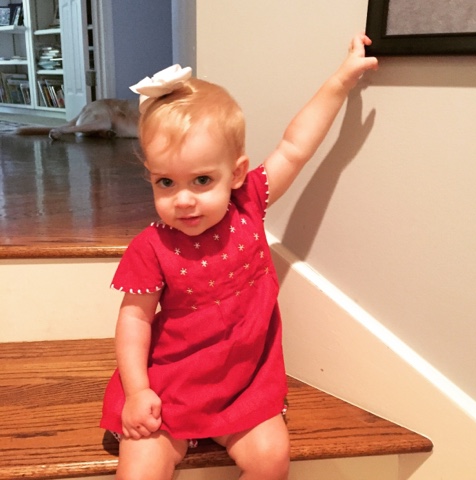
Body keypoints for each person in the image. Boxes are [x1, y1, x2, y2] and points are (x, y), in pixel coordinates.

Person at [101, 34, 378, 480]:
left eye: (202, 180)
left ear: (236, 174)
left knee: (271, 460)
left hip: (243, 383)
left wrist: (340, 82)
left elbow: (295, 146)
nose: (183, 200)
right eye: (165, 183)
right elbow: (134, 321)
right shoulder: (150, 247)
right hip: (170, 386)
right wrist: (137, 391)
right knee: (140, 471)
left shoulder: (249, 203)